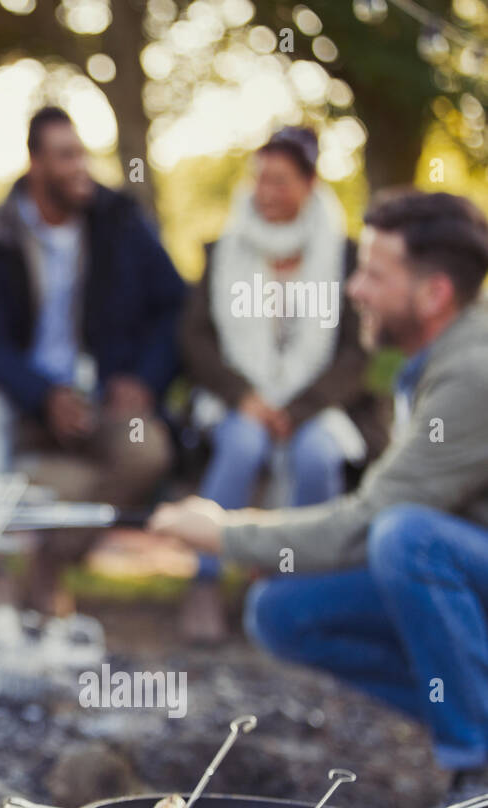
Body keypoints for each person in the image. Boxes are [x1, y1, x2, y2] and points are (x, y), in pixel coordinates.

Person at [149, 190, 488, 808]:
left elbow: (373, 522)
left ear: (434, 293)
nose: (353, 288)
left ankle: (477, 774)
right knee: (285, 610)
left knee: (407, 538)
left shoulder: (471, 373)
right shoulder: (437, 362)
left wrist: (225, 533)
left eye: (374, 274)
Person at [0, 105, 187, 618]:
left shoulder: (120, 221)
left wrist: (143, 379)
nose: (80, 167)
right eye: (65, 156)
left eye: (82, 153)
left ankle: (49, 566)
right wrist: (42, 394)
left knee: (145, 453)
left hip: (102, 395)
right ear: (35, 163)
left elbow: (173, 303)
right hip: (19, 399)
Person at [177, 127, 372, 642]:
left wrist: (301, 407)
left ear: (309, 184)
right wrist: (245, 397)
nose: (266, 192)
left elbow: (357, 351)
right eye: (260, 179)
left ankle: (303, 588)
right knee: (240, 447)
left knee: (317, 458)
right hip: (238, 399)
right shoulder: (227, 251)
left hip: (316, 403)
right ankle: (205, 582)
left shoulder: (344, 256)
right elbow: (197, 338)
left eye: (280, 181)